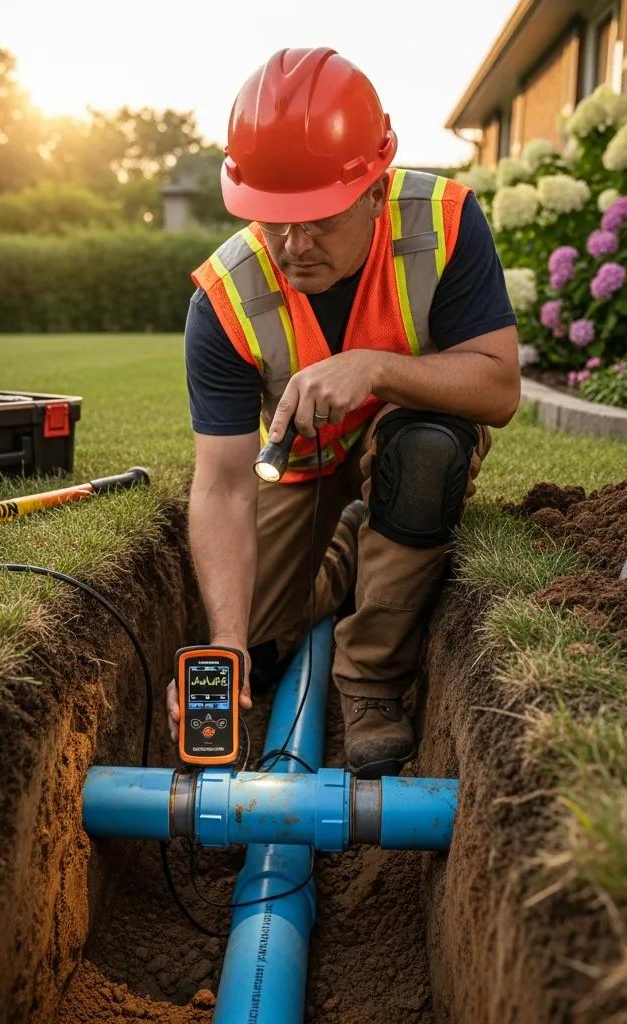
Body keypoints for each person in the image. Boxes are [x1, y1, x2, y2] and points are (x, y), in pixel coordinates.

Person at [168, 47, 520, 778]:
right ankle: (349, 550)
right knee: (263, 652)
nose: (294, 247)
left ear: (372, 188)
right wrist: (227, 643)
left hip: (406, 436)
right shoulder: (224, 301)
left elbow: (499, 390)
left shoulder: (443, 223)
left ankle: (370, 682)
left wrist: (378, 370)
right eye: (272, 221)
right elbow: (226, 484)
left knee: (425, 449)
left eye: (317, 220)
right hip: (297, 474)